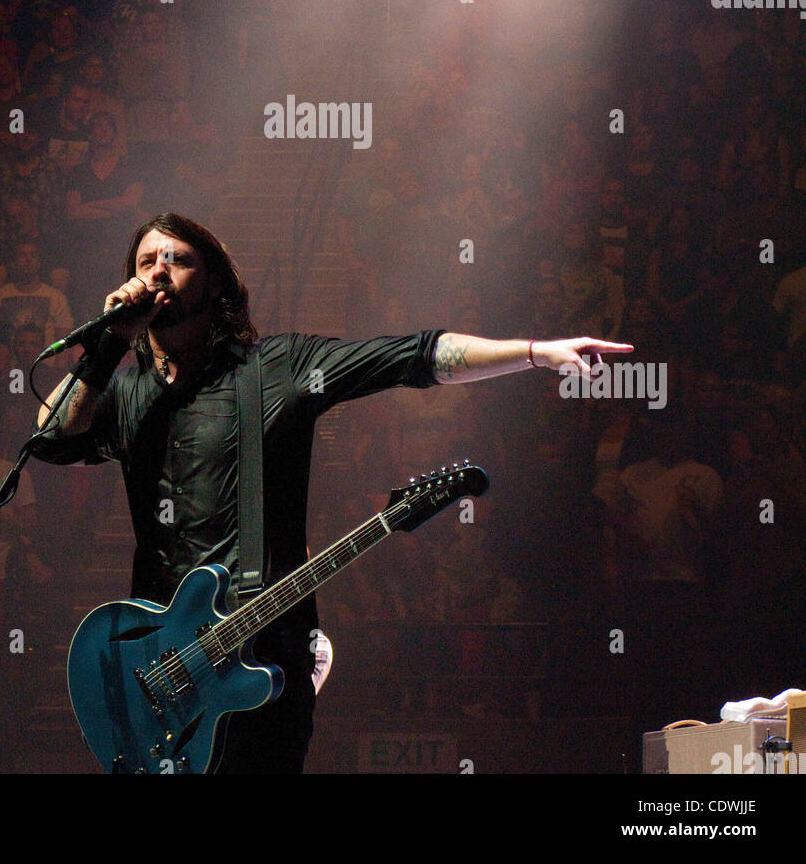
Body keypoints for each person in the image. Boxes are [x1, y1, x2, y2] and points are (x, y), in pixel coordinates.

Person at [32, 212, 630, 774]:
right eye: (145, 262)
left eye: (177, 258)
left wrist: (531, 354)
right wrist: (108, 344)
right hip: (156, 672)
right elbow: (51, 439)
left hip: (262, 652)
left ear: (214, 283)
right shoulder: (127, 394)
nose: (157, 271)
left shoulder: (279, 369)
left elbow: (410, 357)